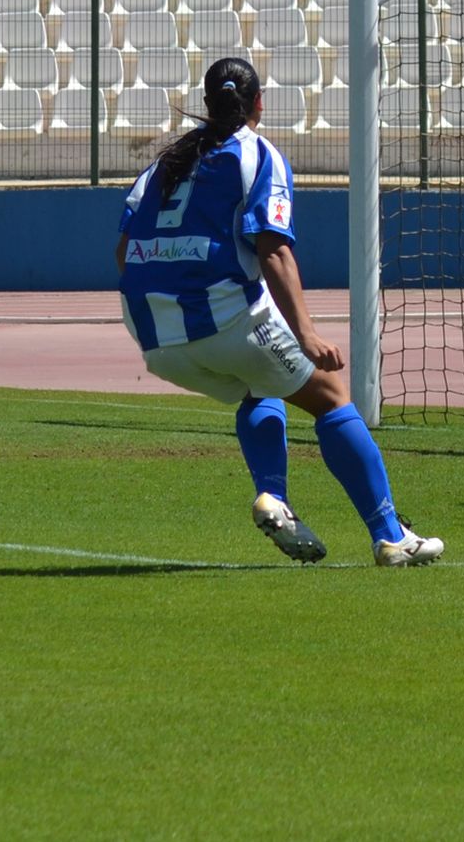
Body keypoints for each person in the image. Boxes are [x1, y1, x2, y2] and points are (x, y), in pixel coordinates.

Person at [116, 56, 444, 567]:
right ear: (259, 104)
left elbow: (122, 252)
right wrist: (306, 333)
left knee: (259, 384)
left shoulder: (163, 164)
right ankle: (390, 536)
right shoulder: (257, 155)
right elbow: (273, 249)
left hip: (153, 337)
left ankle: (274, 497)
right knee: (332, 396)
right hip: (224, 316)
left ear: (207, 106)